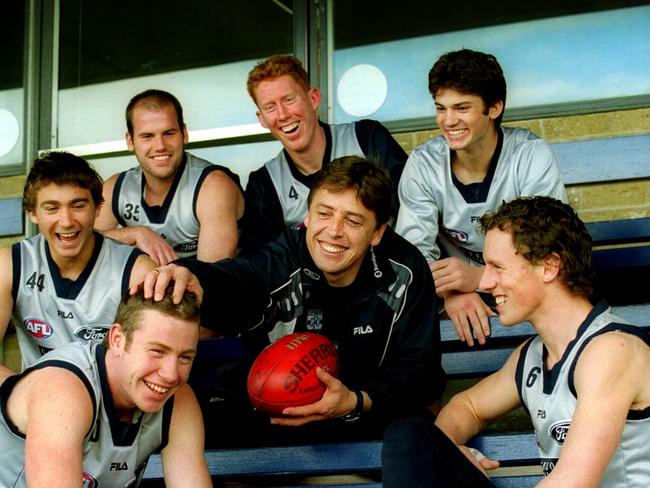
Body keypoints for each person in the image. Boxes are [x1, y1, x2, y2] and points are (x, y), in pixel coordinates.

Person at [145, 156, 445, 447]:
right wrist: (197, 278)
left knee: (412, 433)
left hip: (364, 415)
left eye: (353, 220)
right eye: (324, 213)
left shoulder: (405, 269)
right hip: (278, 414)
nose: (334, 231)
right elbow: (243, 277)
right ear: (308, 215)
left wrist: (354, 400)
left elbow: (420, 370)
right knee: (191, 429)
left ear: (378, 232)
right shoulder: (288, 252)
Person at [382, 196, 650, 488]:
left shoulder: (613, 350)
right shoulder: (533, 355)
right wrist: (450, 448)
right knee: (409, 435)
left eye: (498, 267)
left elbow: (573, 482)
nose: (484, 283)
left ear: (549, 267)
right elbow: (468, 406)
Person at [395, 49, 567, 346]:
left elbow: (548, 248)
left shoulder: (529, 155)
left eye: (462, 108)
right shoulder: (424, 165)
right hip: (454, 296)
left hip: (528, 291)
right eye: (441, 108)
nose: (448, 120)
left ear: (494, 107)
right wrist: (450, 292)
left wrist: (478, 278)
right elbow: (413, 255)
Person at [0, 283, 211, 487]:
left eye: (185, 357)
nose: (171, 374)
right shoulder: (64, 390)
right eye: (157, 351)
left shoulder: (178, 399)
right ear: (117, 340)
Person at [0, 151, 155, 376]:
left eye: (78, 205)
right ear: (32, 213)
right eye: (52, 208)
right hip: (37, 400)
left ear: (98, 208)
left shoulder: (137, 271)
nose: (66, 221)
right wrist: (21, 394)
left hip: (110, 405)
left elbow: (152, 362)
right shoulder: (11, 263)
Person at [240, 54, 407, 253]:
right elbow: (265, 262)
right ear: (262, 119)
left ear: (313, 99)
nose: (283, 115)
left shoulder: (366, 139)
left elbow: (411, 210)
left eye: (289, 100)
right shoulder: (265, 183)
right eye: (270, 107)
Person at [96, 89, 244, 265]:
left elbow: (211, 280)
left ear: (184, 133)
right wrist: (133, 234)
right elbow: (79, 245)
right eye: (147, 136)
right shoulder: (117, 188)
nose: (160, 146)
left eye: (169, 133)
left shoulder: (213, 187)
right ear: (130, 141)